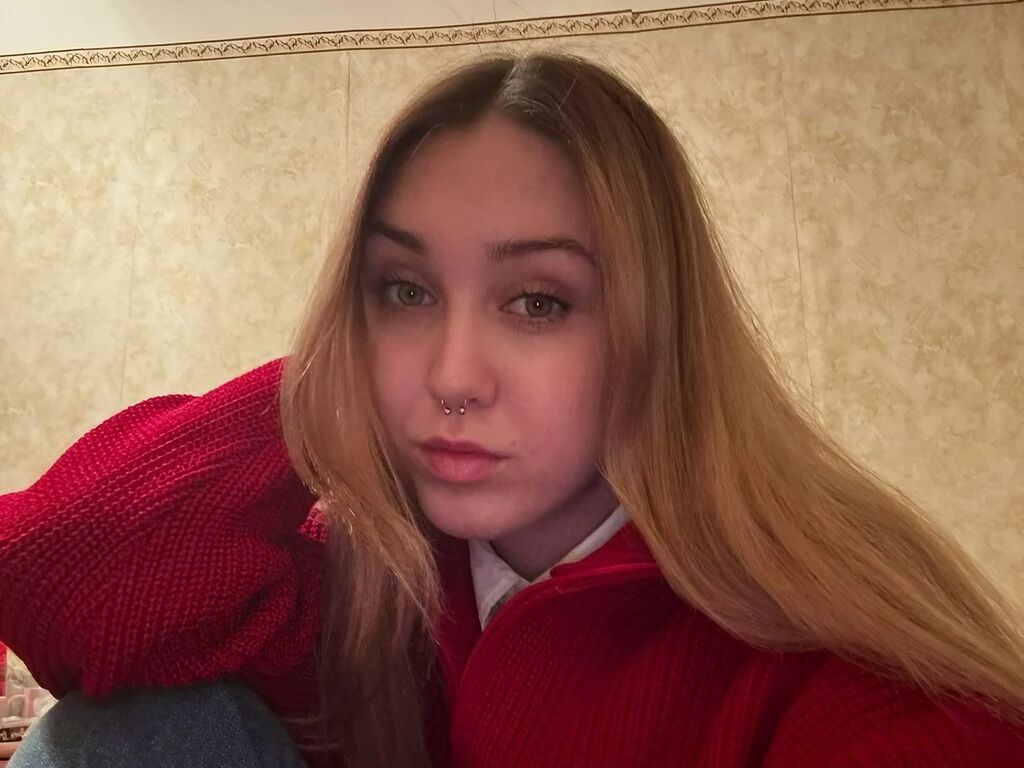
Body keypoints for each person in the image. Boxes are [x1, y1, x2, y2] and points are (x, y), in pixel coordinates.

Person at [1, 53, 1022, 768]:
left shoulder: (838, 675)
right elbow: (49, 578)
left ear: (656, 331)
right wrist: (325, 390)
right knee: (114, 733)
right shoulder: (370, 582)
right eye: (405, 291)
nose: (453, 376)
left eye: (538, 302)